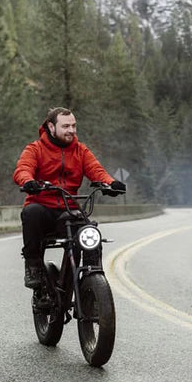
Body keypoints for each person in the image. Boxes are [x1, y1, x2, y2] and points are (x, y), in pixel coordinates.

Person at [13, 107, 126, 288]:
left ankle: (92, 280)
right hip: (43, 208)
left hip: (69, 209)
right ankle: (33, 265)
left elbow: (96, 171)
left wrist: (111, 183)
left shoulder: (80, 151)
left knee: (89, 232)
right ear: (51, 127)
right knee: (31, 212)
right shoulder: (35, 149)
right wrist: (28, 181)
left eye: (73, 126)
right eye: (66, 126)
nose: (71, 130)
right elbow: (23, 169)